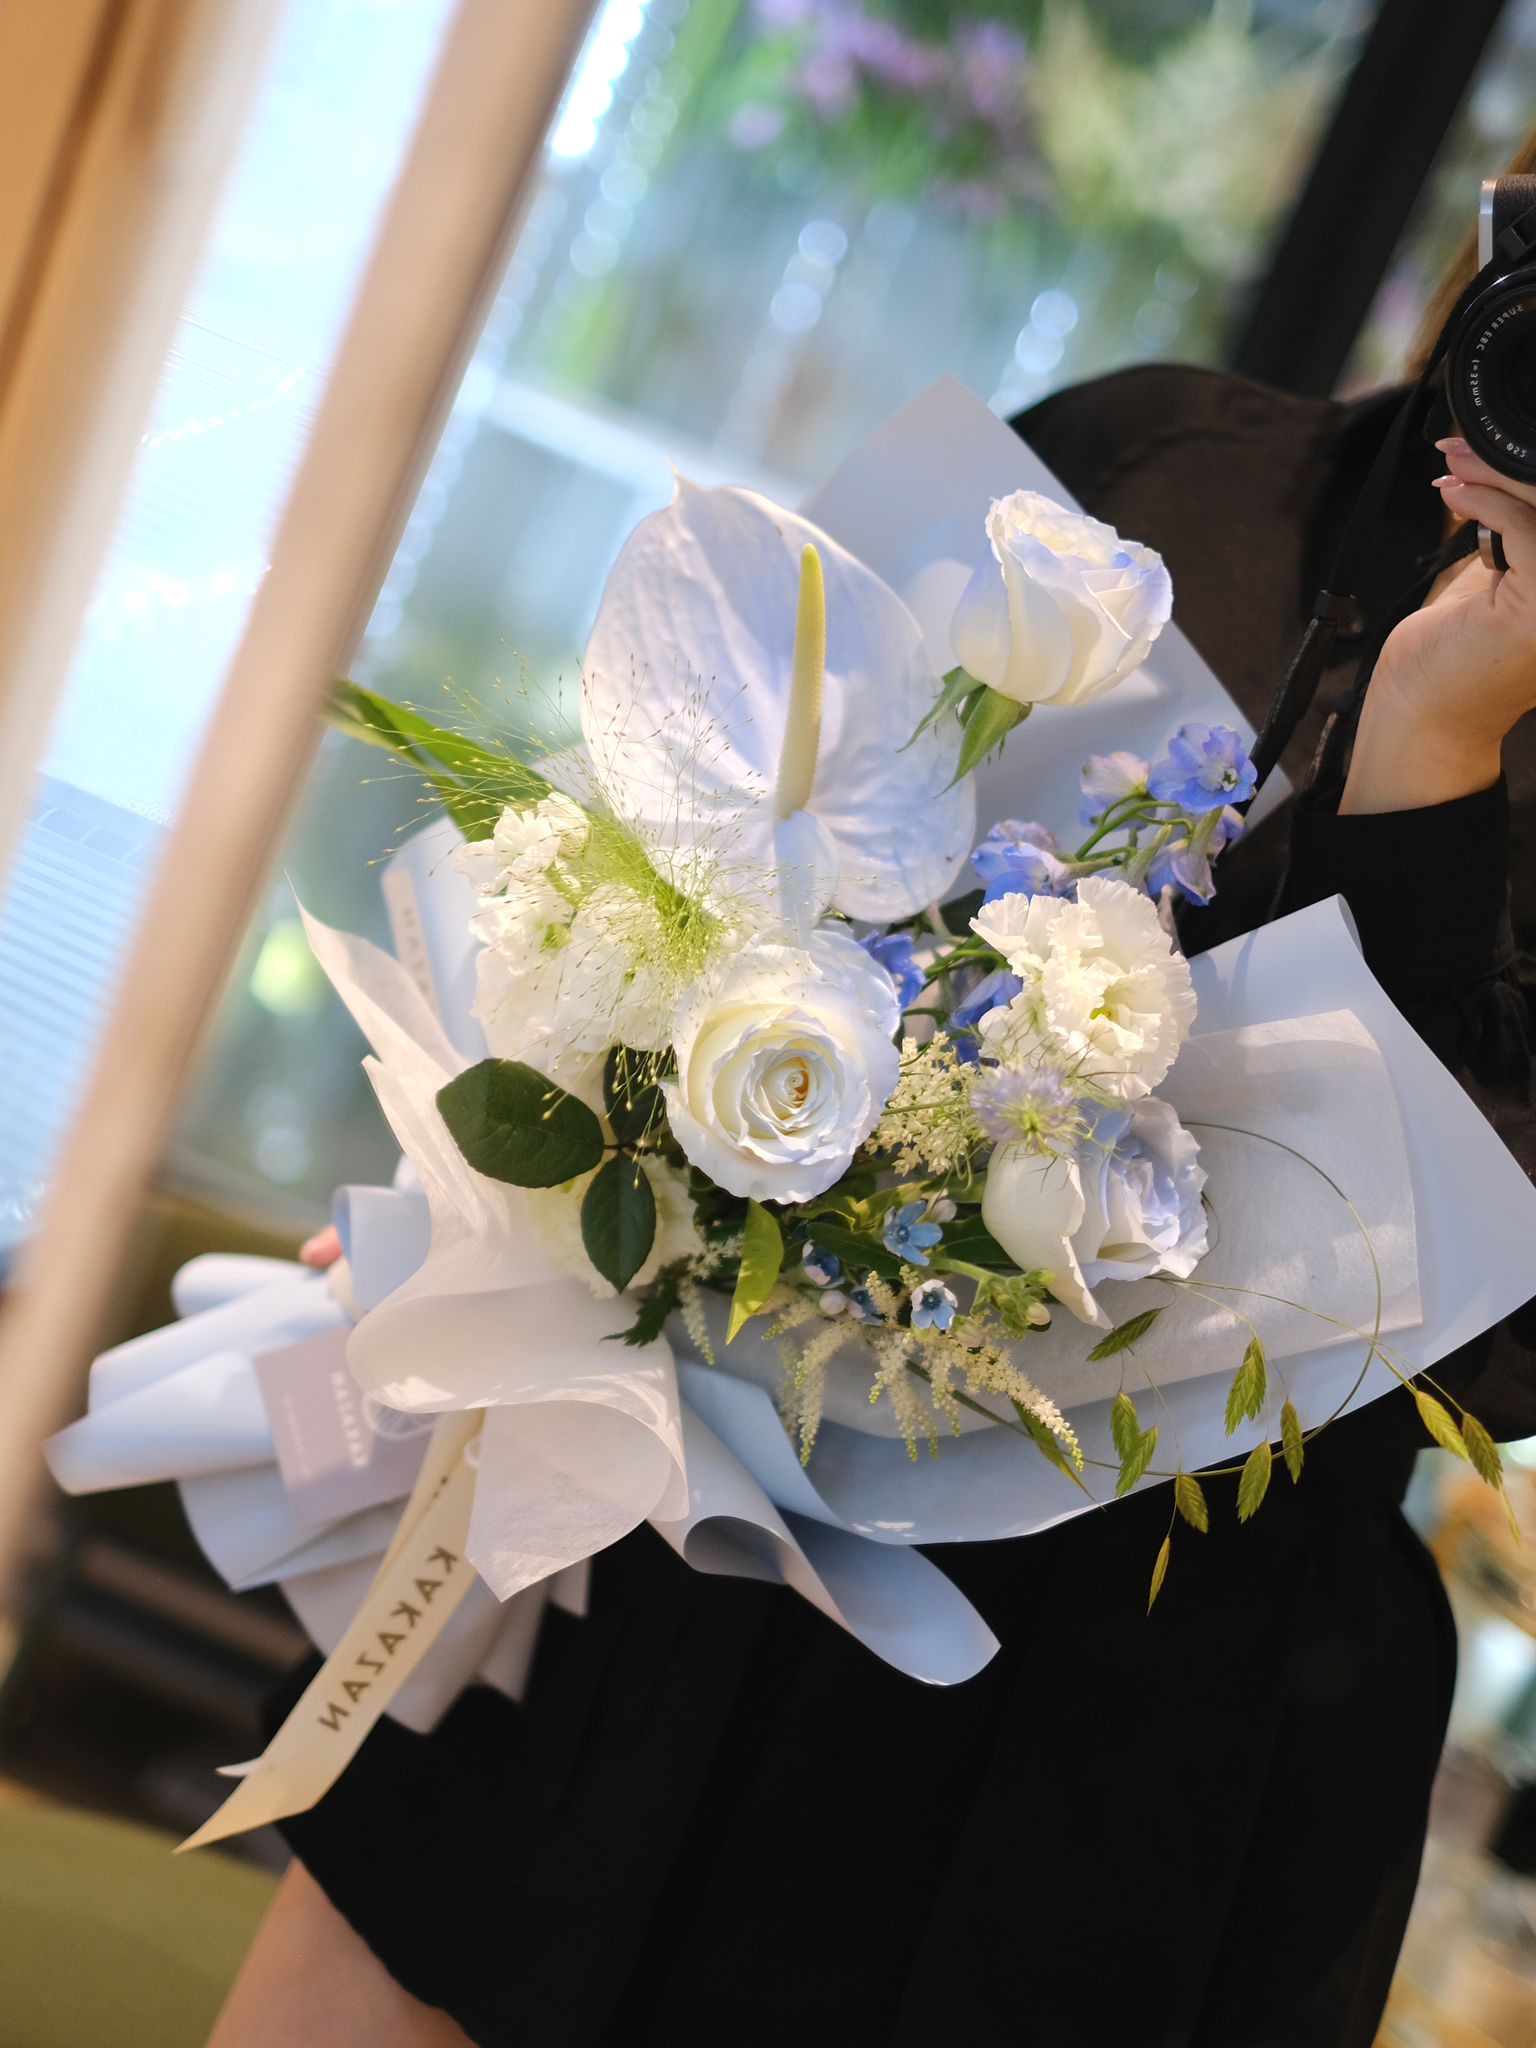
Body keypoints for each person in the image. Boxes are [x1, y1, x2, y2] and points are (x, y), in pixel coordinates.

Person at [208, 178, 1536, 2048]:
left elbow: (1508, 1366)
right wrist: (499, 1173)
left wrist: (1437, 777)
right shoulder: (1161, 466)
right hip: (729, 1519)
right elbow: (722, 840)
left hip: (1151, 1722)